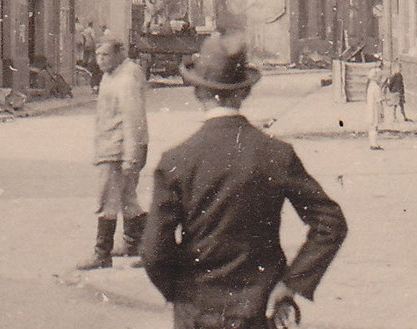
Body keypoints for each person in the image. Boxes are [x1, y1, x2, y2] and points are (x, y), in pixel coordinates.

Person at [142, 33, 347, 329]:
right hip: (258, 309)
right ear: (244, 93)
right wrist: (291, 284)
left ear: (198, 92)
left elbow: (153, 252)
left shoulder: (176, 161)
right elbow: (331, 222)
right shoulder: (275, 154)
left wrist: (181, 294)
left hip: (195, 313)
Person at [76, 39, 148, 270]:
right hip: (115, 146)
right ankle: (138, 244)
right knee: (128, 199)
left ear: (120, 53)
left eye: (105, 55)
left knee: (107, 200)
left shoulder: (125, 79)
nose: (100, 60)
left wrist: (130, 155)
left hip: (118, 149)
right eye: (98, 55)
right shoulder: (113, 74)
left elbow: (133, 118)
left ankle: (101, 253)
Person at [366, 67, 384, 149]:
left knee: (372, 125)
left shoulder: (370, 87)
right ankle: (374, 144)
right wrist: (381, 112)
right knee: (375, 126)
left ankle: (372, 143)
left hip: (370, 108)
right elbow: (379, 101)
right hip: (375, 109)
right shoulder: (376, 88)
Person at [82, 21, 101, 90]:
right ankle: (90, 65)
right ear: (92, 25)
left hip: (86, 43)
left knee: (86, 55)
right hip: (91, 43)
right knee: (92, 54)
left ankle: (85, 64)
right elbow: (93, 37)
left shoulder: (85, 30)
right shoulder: (92, 30)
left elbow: (83, 36)